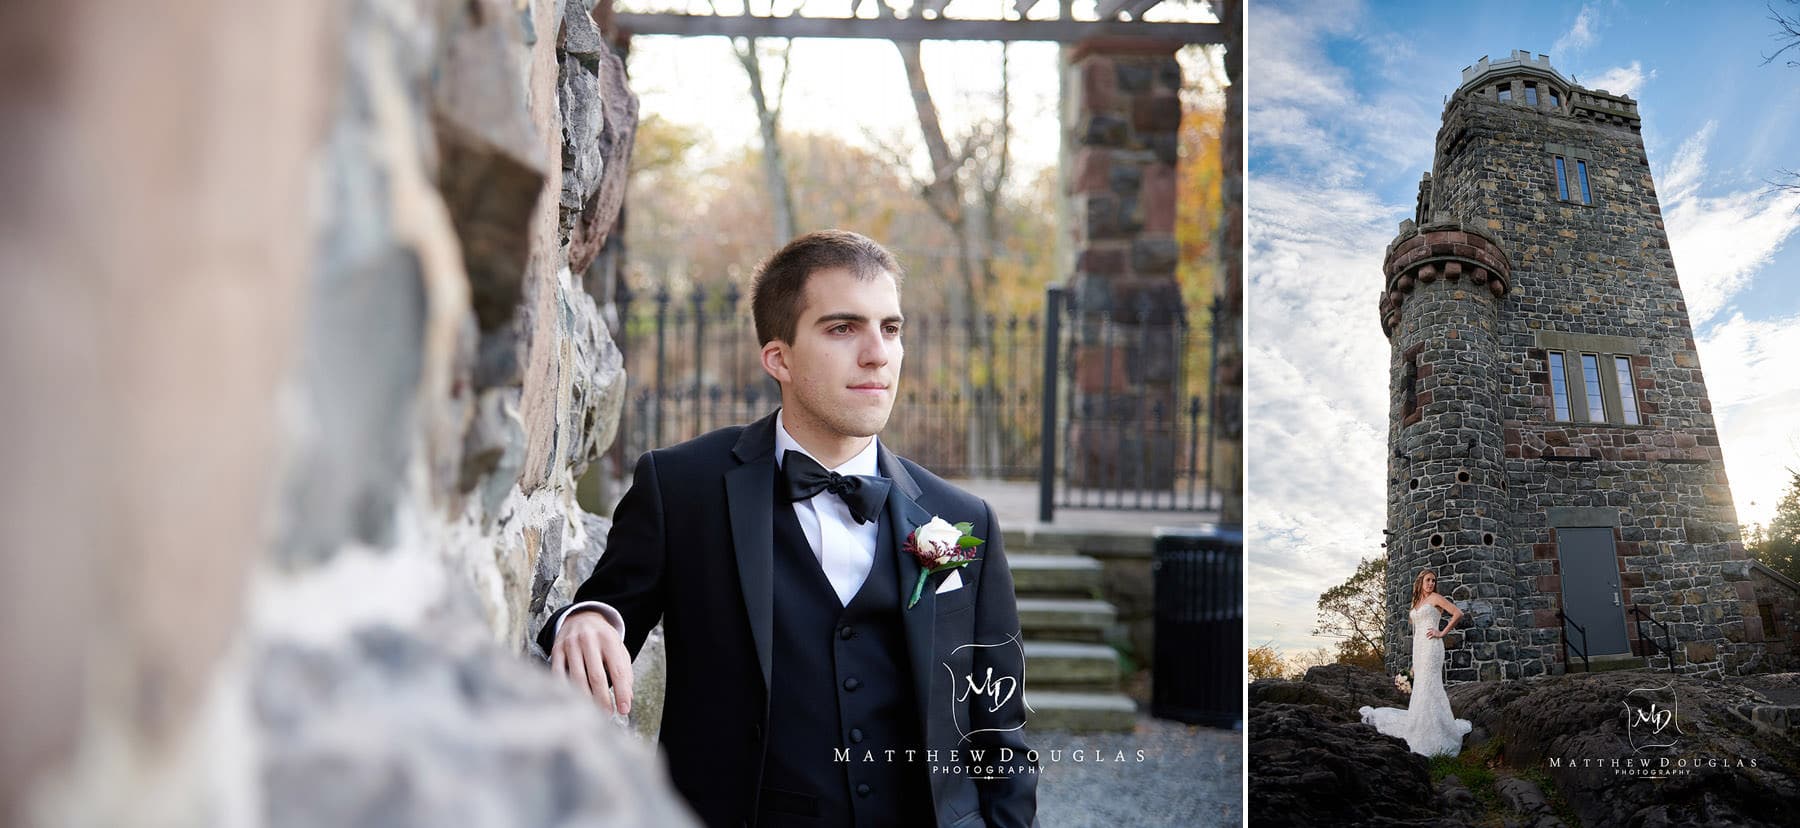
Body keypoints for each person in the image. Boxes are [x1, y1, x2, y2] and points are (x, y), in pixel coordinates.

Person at [538, 230, 1038, 828]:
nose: (878, 354)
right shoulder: (681, 488)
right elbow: (604, 609)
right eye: (843, 328)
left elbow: (998, 730)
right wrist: (586, 618)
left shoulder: (960, 520)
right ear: (779, 358)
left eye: (892, 328)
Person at [1358, 569, 1472, 757]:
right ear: (1420, 582)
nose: (1431, 584)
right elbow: (1417, 633)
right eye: (1428, 580)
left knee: (1430, 686)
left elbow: (1457, 613)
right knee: (1420, 688)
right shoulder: (1417, 602)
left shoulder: (1435, 597)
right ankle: (1421, 726)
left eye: (1433, 580)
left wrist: (1441, 633)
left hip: (1433, 647)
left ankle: (1438, 733)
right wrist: (1413, 664)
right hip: (1420, 649)